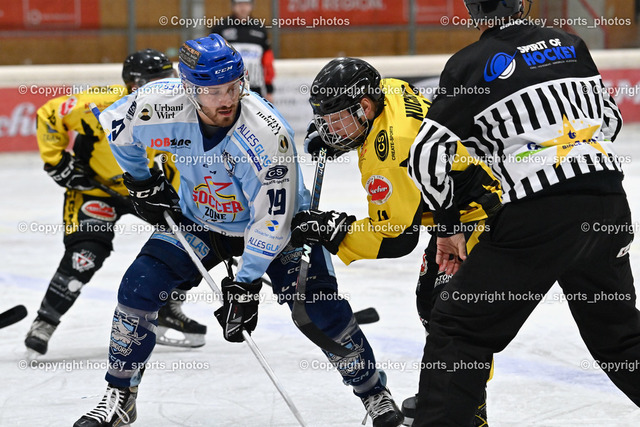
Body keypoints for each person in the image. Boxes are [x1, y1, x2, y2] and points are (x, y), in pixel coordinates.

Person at [73, 34, 403, 427]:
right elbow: (120, 131)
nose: (227, 99)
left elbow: (272, 221)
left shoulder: (266, 134)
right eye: (214, 91)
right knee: (138, 287)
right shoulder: (158, 102)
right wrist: (141, 180)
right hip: (201, 218)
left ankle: (374, 394)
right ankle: (120, 396)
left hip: (280, 229)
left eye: (233, 87)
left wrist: (245, 284)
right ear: (189, 88)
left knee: (319, 310)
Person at [407, 0, 640, 425]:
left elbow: (425, 154)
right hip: (609, 203)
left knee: (460, 328)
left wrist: (447, 226)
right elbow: (610, 122)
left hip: (541, 213)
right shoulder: (572, 44)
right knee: (621, 339)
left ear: (472, 10)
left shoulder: (471, 62)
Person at [290, 58, 502, 427]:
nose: (329, 129)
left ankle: (466, 405)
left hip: (483, 214)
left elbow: (398, 238)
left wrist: (333, 230)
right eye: (326, 120)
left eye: (336, 119)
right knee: (432, 303)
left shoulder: (389, 159)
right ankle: (450, 387)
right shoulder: (386, 88)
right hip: (459, 208)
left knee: (450, 312)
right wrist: (335, 137)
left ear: (365, 107)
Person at [25, 49, 207, 356]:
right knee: (86, 254)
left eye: (169, 80)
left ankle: (167, 307)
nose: (166, 88)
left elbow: (183, 159)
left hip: (147, 191)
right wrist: (57, 162)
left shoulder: (179, 109)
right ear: (134, 85)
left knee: (189, 241)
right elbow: (49, 114)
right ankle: (45, 320)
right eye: (156, 82)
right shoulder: (99, 105)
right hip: (96, 190)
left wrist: (181, 200)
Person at [212, 0, 275, 102]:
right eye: (239, 4)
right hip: (228, 87)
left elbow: (267, 62)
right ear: (232, 6)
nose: (243, 7)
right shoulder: (221, 28)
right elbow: (213, 59)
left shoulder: (260, 29)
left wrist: (269, 90)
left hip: (255, 87)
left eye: (246, 4)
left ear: (252, 6)